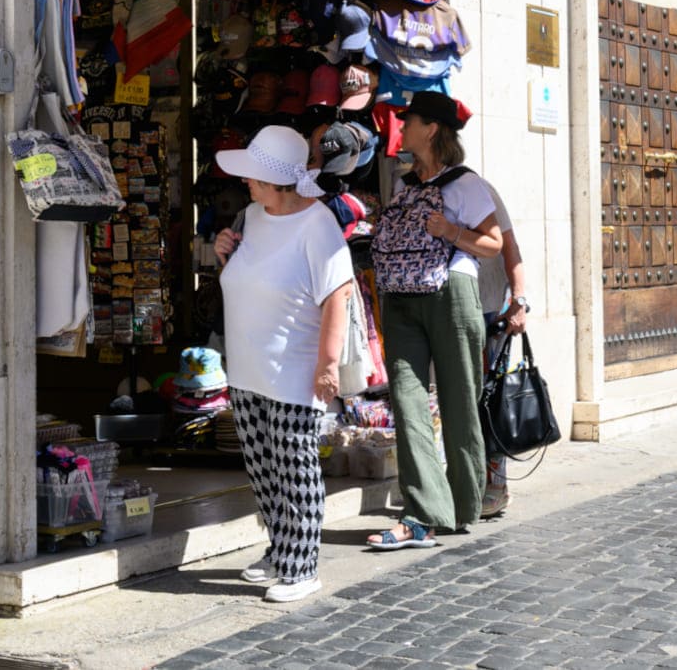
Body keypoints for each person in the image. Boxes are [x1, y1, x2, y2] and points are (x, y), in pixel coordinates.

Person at [213, 125, 353, 602]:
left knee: (296, 469)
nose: (245, 184)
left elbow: (339, 293)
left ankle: (303, 566)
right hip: (248, 367)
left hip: (293, 369)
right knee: (263, 468)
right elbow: (250, 277)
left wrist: (328, 364)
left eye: (253, 176)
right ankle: (280, 551)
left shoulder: (318, 224)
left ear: (278, 182)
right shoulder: (253, 215)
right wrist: (224, 255)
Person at [366, 91, 503, 550]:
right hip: (401, 296)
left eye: (409, 122)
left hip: (451, 293)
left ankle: (463, 505)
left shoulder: (465, 184)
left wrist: (451, 232)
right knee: (406, 401)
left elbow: (495, 244)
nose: (401, 129)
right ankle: (424, 510)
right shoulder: (406, 185)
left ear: (432, 130)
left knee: (460, 398)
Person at [478, 182, 529, 518]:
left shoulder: (480, 190)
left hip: (490, 307)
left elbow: (510, 247)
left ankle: (496, 486)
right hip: (453, 309)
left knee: (490, 400)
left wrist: (519, 300)